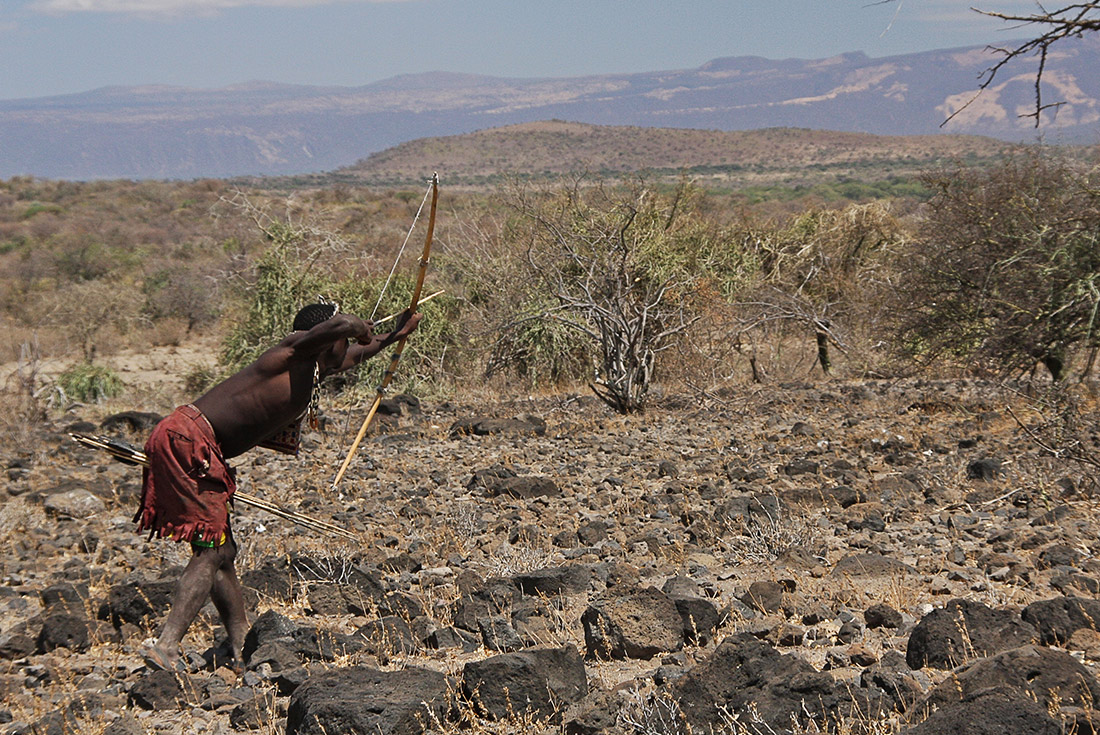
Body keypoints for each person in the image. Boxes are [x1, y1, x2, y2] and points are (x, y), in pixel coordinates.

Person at [136, 301, 421, 671]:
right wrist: (355, 325)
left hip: (194, 441)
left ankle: (241, 642)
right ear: (324, 338)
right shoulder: (291, 355)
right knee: (210, 551)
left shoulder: (313, 366)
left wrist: (394, 335)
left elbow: (352, 354)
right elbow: (342, 327)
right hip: (190, 440)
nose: (345, 349)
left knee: (222, 550)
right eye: (338, 338)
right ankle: (167, 645)